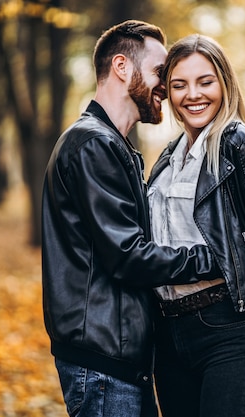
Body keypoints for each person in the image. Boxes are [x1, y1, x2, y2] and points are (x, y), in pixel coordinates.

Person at [41, 21, 221, 417]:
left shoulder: (109, 145)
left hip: (119, 358)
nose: (165, 84)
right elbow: (128, 256)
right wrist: (213, 259)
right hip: (104, 360)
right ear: (122, 67)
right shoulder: (92, 145)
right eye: (160, 72)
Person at [147, 34, 245, 417]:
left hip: (229, 331)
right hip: (169, 337)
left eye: (205, 81)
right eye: (179, 85)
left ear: (224, 83)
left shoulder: (242, 147)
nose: (192, 95)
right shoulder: (166, 160)